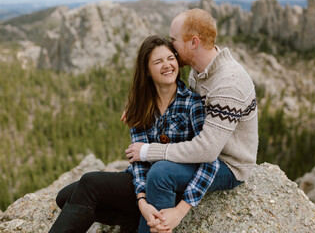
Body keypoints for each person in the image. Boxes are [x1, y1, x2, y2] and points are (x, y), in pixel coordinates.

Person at [49, 35, 219, 233]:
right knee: (64, 197)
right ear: (147, 71)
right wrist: (141, 202)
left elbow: (208, 158)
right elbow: (138, 159)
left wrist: (184, 204)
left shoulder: (192, 103)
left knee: (89, 183)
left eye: (170, 58)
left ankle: (132, 216)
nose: (167, 65)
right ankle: (131, 216)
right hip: (143, 181)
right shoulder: (140, 106)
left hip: (169, 184)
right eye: (158, 61)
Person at [125, 8, 258, 232]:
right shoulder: (200, 71)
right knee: (151, 172)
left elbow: (207, 151)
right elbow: (178, 99)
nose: (171, 46)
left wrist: (149, 151)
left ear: (193, 42)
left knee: (161, 173)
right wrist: (139, 105)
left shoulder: (228, 82)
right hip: (203, 153)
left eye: (174, 40)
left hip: (228, 164)